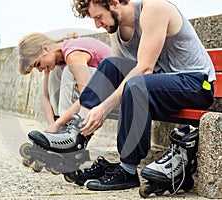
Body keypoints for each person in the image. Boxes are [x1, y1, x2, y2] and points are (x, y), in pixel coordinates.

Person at [34, 0, 215, 192]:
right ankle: (77, 134)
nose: (97, 25)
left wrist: (103, 109)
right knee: (110, 65)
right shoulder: (116, 28)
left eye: (98, 17)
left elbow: (144, 69)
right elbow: (116, 73)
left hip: (195, 84)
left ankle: (127, 171)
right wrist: (68, 120)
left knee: (136, 84)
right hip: (160, 86)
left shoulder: (153, 8)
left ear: (114, 3)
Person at [18, 33, 111, 126]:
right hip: (99, 90)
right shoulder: (53, 61)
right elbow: (46, 97)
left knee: (68, 70)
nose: (39, 70)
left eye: (38, 64)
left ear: (45, 48)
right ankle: (60, 126)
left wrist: (58, 125)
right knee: (56, 72)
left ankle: (66, 129)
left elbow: (88, 97)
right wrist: (52, 126)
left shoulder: (73, 55)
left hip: (117, 88)